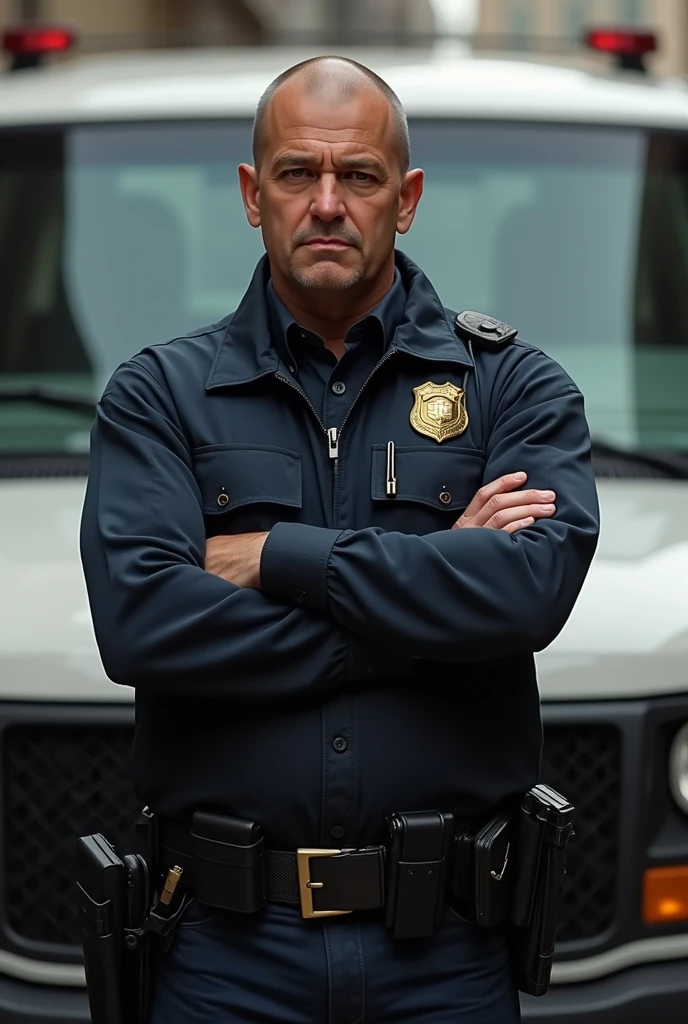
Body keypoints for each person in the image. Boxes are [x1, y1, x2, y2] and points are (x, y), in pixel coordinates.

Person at [80, 56, 599, 1024]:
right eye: (295, 174)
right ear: (251, 194)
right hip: (225, 954)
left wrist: (270, 556)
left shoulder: (511, 387)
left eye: (357, 176)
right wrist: (435, 609)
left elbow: (526, 591)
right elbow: (144, 621)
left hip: (445, 949)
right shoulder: (158, 396)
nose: (327, 203)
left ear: (404, 200)